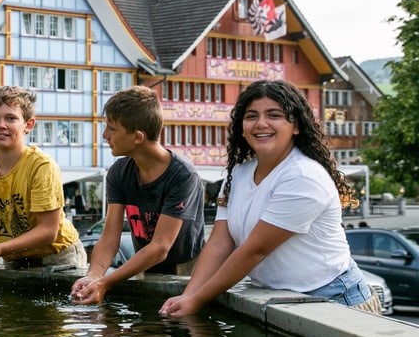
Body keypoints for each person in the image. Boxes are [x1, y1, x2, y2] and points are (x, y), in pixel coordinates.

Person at [159, 79, 382, 317]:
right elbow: (220, 243)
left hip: (334, 298)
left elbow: (255, 250)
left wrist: (197, 300)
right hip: (283, 297)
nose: (261, 123)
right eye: (251, 116)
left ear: (296, 126)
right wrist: (189, 294)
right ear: (241, 127)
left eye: (274, 115)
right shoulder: (238, 174)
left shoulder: (303, 176)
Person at [71, 86, 205, 305]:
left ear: (137, 137)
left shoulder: (183, 175)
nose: (105, 136)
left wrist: (105, 283)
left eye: (111, 129)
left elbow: (161, 247)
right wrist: (93, 276)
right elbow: (109, 237)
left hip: (187, 273)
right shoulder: (119, 172)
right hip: (147, 268)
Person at [0, 86, 87, 270]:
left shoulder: (42, 166)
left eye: (10, 118)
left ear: (29, 125)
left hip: (58, 256)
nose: (1, 125)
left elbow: (48, 231)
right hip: (13, 257)